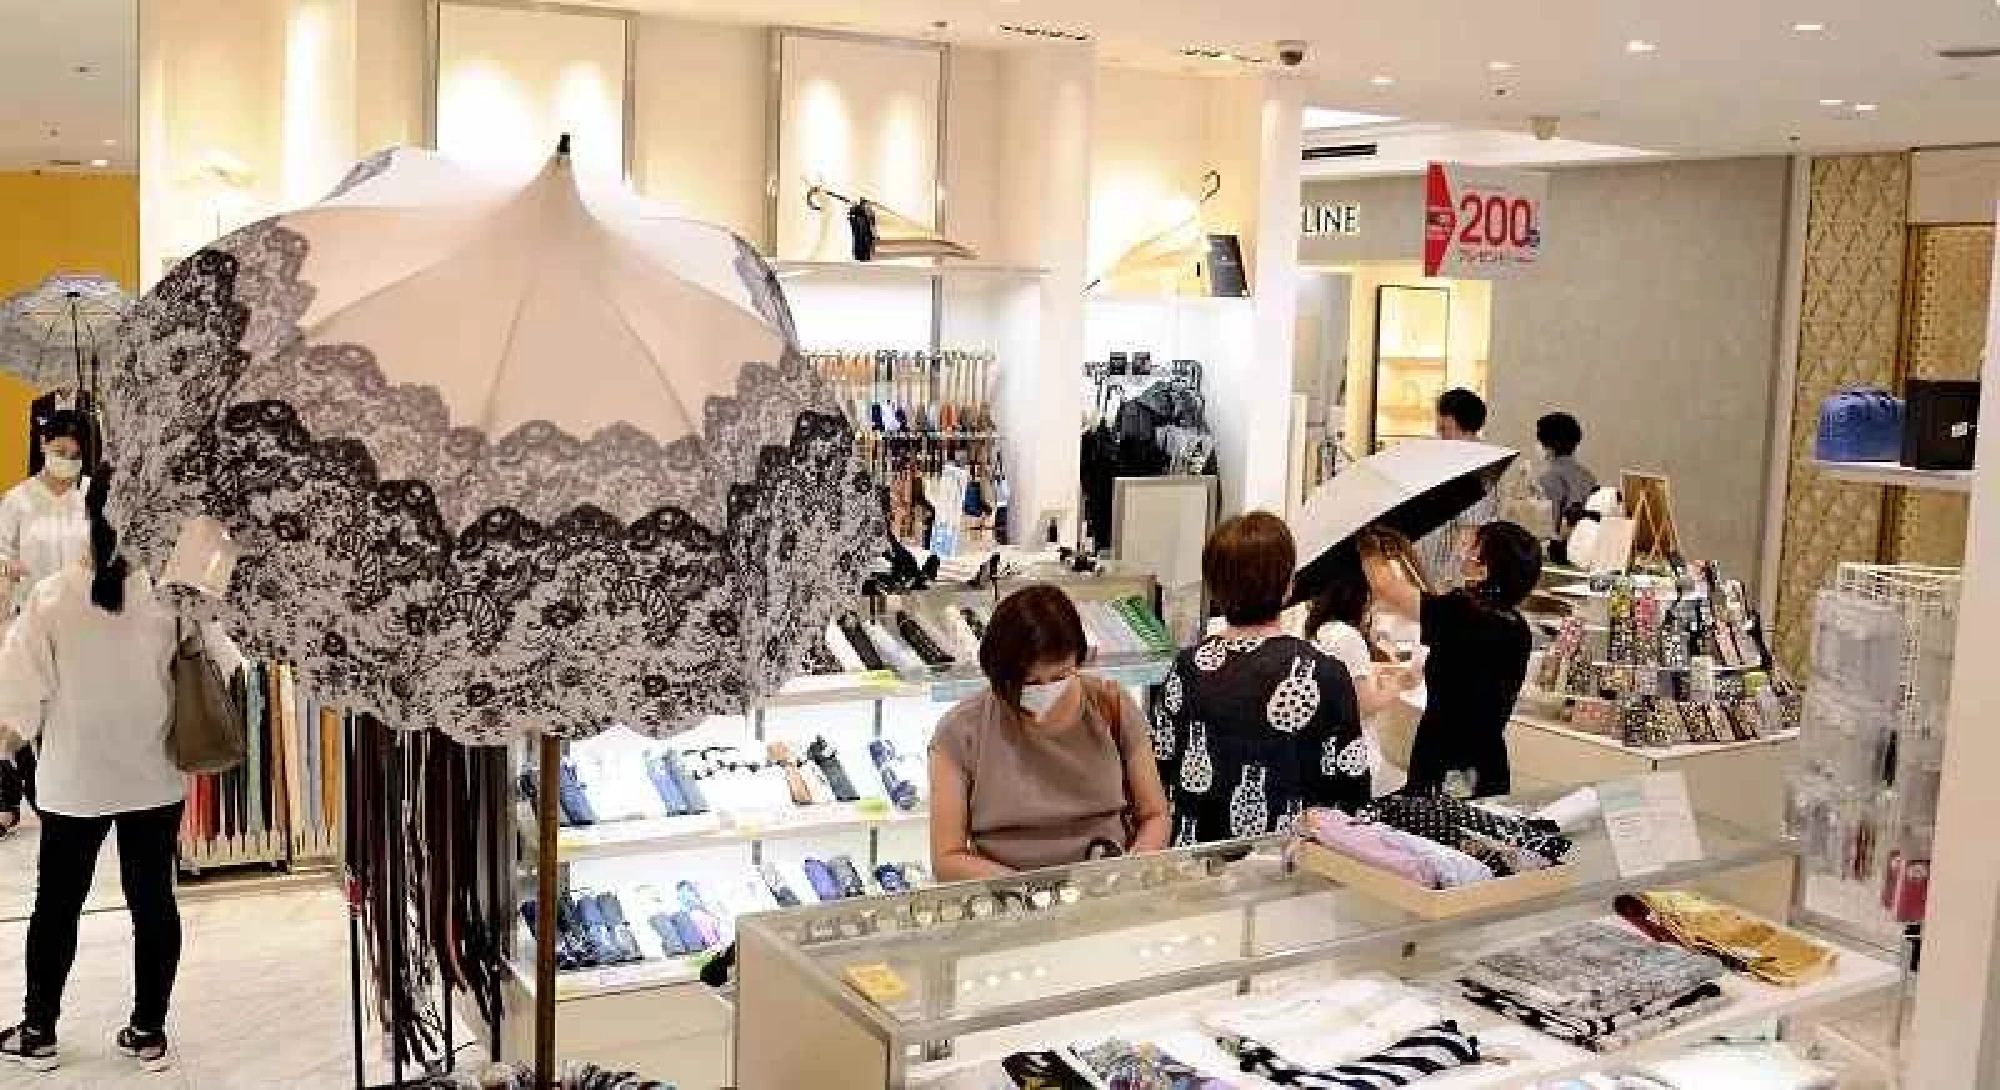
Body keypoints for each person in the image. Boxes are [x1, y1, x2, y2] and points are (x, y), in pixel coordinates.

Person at [0, 470, 185, 1073]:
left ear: (87, 514)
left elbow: (20, 699)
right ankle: (149, 1032)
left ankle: (38, 1034)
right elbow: (220, 665)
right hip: (152, 774)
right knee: (153, 902)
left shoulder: (52, 598)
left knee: (57, 906)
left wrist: (15, 740)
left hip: (74, 781)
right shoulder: (168, 596)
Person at [929, 583, 1171, 880]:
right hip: (1008, 901)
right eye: (1030, 682)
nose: (1045, 691)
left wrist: (1130, 870)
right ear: (1000, 674)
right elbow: (947, 858)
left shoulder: (1112, 707)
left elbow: (1155, 815)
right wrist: (1031, 889)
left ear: (1077, 661)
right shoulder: (961, 730)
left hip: (1105, 887)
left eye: (1059, 677)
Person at [1156, 512, 1369, 846]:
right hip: (1294, 866)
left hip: (1197, 864)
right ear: (1288, 585)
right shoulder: (1327, 674)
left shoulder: (1187, 668)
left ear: (1213, 587)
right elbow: (1351, 785)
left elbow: (1163, 766)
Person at [1364, 520, 1541, 798]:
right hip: (1488, 766)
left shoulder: (1461, 613)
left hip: (1443, 764)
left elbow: (1385, 587)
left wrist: (1364, 539)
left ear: (1484, 569)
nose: (1466, 550)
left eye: (1475, 547)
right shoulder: (1519, 629)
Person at [0, 409, 92, 833]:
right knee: (19, 709)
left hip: (83, 622)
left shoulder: (92, 495)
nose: (67, 460)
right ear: (43, 447)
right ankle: (15, 795)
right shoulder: (19, 499)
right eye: (59, 451)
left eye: (74, 454)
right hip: (29, 618)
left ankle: (70, 793)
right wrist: (7, 564)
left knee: (72, 709)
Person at [1299, 527, 1425, 793]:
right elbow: (1364, 705)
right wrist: (1401, 683)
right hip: (1354, 752)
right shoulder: (1349, 638)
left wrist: (1378, 669)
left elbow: (1343, 677)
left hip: (1325, 751)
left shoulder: (1324, 630)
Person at [1415, 389, 1500, 587]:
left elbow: (1469, 534)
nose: (1440, 437)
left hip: (1446, 584)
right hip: (1433, 577)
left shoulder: (1476, 470)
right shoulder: (1456, 465)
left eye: (1444, 429)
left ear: (1460, 427)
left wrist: (1450, 584)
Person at [1534, 412, 1598, 562]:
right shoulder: (1588, 476)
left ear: (1548, 447)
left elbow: (1549, 527)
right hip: (1585, 548)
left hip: (1559, 552)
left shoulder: (1549, 479)